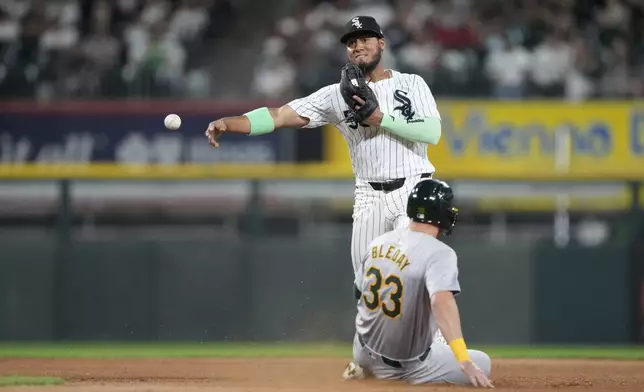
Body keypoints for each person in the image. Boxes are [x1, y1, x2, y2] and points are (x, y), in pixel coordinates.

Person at [205, 15, 445, 347]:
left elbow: (432, 132)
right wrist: (229, 123)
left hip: (412, 188)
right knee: (366, 283)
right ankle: (370, 353)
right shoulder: (337, 95)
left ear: (382, 43)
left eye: (365, 38)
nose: (358, 45)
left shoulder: (412, 83)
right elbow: (280, 115)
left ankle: (436, 346)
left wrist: (380, 118)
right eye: (351, 41)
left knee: (412, 268)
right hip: (368, 195)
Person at [344, 178, 494, 387]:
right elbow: (441, 302)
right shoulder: (440, 253)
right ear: (442, 213)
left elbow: (359, 293)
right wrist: (463, 359)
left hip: (361, 350)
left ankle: (364, 368)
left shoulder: (379, 242)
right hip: (406, 366)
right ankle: (390, 373)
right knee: (483, 362)